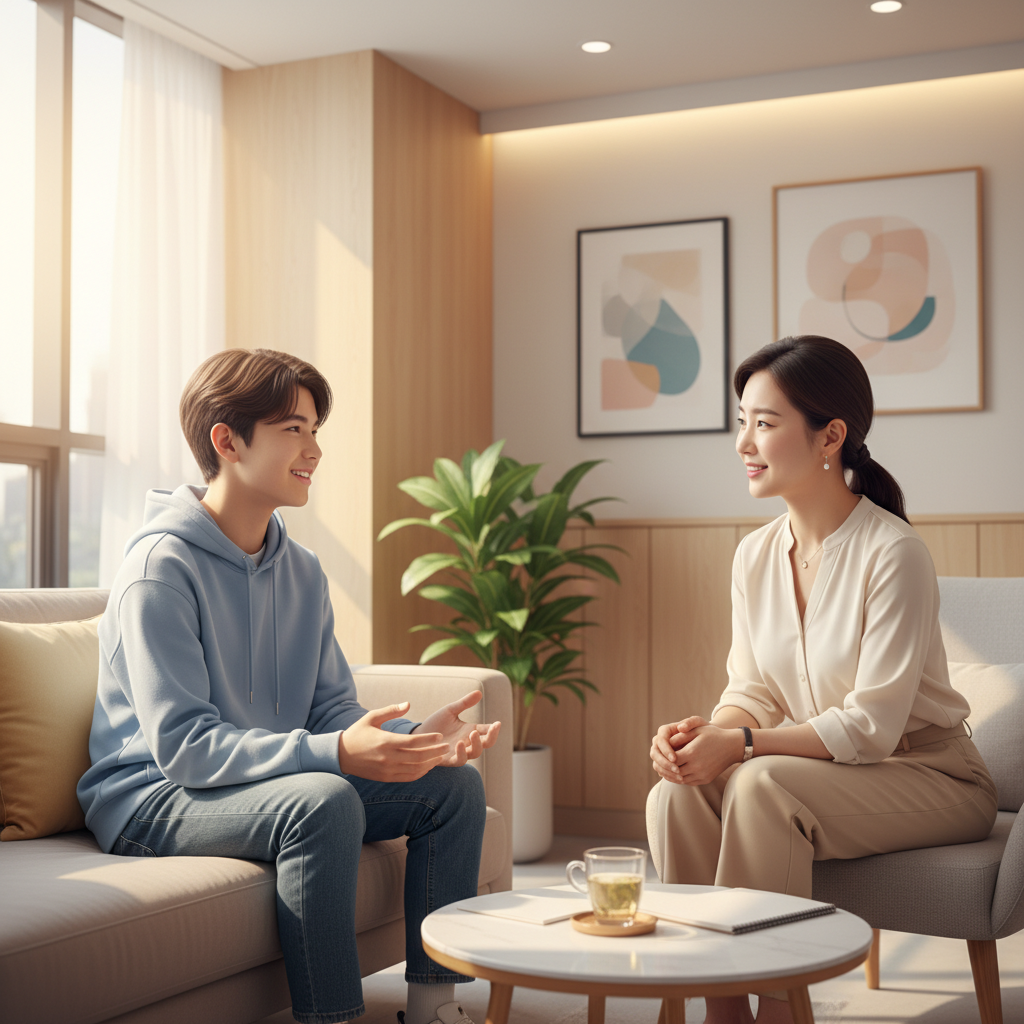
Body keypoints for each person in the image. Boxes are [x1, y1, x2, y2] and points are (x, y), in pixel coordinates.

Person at [78, 347, 501, 1024]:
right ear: (227, 441)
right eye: (294, 430)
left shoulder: (300, 570)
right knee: (322, 801)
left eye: (314, 430)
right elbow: (186, 748)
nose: (314, 450)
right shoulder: (160, 567)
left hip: (259, 779)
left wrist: (409, 742)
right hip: (152, 795)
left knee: (452, 789)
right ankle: (329, 1016)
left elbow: (331, 705)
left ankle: (431, 1006)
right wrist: (332, 753)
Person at [648, 335, 996, 1024]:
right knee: (676, 794)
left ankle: (778, 1008)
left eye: (765, 423)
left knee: (762, 783)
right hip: (831, 773)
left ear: (830, 435)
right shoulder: (754, 556)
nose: (744, 441)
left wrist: (743, 748)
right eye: (741, 420)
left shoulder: (894, 553)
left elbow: (871, 729)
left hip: (931, 777)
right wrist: (702, 738)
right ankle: (721, 1007)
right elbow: (751, 690)